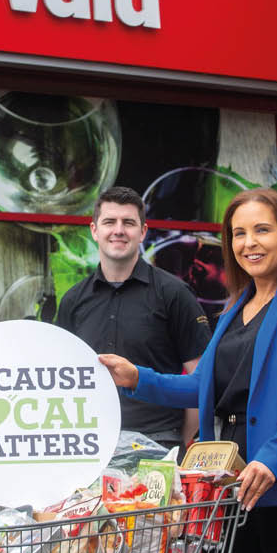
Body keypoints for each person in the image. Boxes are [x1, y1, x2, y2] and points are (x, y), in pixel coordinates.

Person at [99, 188, 277, 553]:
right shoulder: (237, 305)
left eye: (262, 230)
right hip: (233, 478)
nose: (249, 243)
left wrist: (273, 458)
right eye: (238, 233)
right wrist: (135, 377)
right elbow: (205, 389)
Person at [57, 185, 209, 452]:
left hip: (159, 443)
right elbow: (61, 379)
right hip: (90, 446)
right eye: (109, 222)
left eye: (128, 222)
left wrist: (177, 442)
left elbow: (203, 379)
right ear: (94, 230)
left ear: (143, 232)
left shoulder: (174, 294)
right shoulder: (73, 300)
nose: (118, 230)